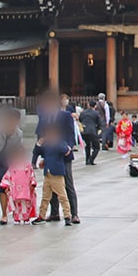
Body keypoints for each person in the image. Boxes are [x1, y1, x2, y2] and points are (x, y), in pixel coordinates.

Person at [47, 95, 80, 224]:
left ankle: (74, 213)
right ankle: (54, 212)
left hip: (64, 154)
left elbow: (71, 134)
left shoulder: (66, 116)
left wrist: (68, 148)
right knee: (52, 183)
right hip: (51, 155)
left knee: (68, 184)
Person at [32, 127, 73, 226]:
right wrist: (39, 143)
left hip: (57, 173)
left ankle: (67, 216)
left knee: (62, 196)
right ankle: (41, 215)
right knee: (45, 197)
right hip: (47, 173)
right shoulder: (45, 145)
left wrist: (55, 141)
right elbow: (36, 152)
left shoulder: (60, 143)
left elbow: (66, 150)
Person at [0, 144, 37, 225]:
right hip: (15, 189)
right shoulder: (12, 167)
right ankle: (17, 218)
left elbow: (31, 175)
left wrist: (32, 183)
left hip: (26, 189)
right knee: (16, 205)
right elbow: (7, 176)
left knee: (25, 204)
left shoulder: (27, 166)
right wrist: (6, 186)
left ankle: (26, 218)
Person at [79, 100, 103, 165]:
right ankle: (91, 159)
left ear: (88, 105)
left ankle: (87, 160)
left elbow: (80, 119)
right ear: (95, 106)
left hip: (84, 131)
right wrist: (98, 129)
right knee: (96, 147)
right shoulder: (96, 113)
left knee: (87, 145)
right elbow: (99, 123)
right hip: (92, 131)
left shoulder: (83, 112)